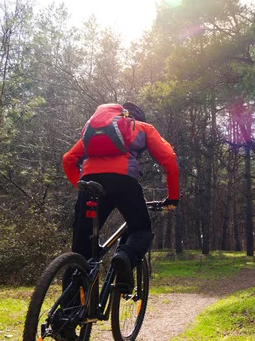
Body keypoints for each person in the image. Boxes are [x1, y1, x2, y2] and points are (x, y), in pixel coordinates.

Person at [62, 102, 179, 293]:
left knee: (80, 252)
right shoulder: (142, 127)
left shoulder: (95, 130)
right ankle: (124, 257)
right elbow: (170, 159)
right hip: (123, 181)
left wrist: (82, 187)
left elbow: (68, 159)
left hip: (90, 184)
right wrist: (173, 197)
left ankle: (67, 315)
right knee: (141, 230)